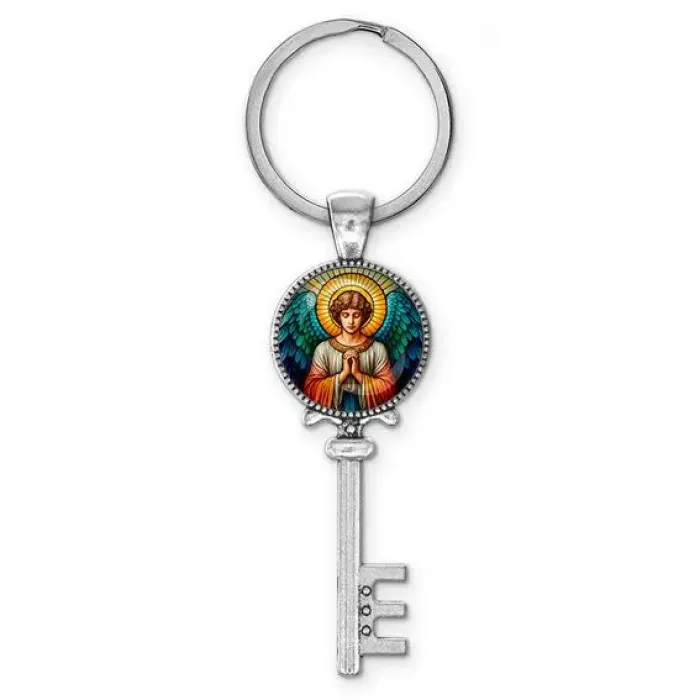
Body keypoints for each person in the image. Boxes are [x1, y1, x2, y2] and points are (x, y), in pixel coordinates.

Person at [304, 291, 395, 410]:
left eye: (356, 315)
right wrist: (343, 374)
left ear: (364, 317)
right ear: (338, 317)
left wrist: (357, 374)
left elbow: (388, 388)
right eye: (345, 315)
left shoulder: (377, 349)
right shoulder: (323, 349)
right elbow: (311, 388)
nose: (351, 321)